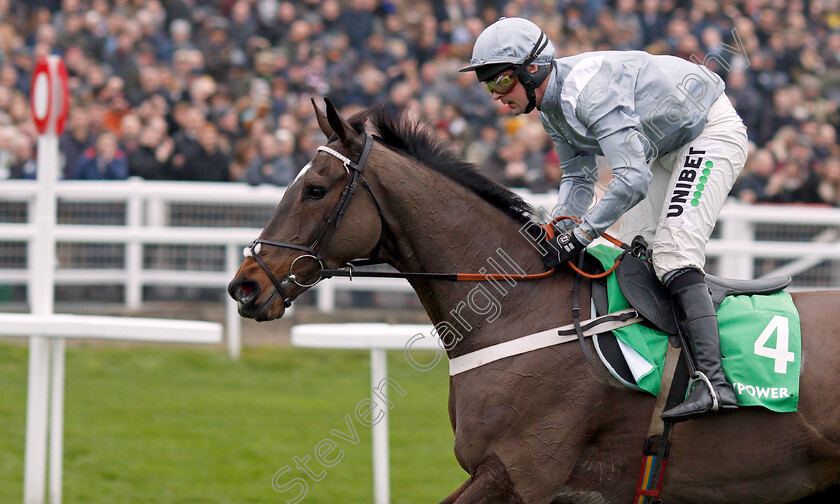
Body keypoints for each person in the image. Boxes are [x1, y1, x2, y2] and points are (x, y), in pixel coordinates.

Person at [460, 17, 749, 422]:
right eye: (488, 86)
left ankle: (715, 383)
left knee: (672, 255)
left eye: (501, 82)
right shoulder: (550, 108)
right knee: (634, 254)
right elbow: (579, 177)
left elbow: (631, 179)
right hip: (663, 147)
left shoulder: (587, 92)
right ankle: (663, 373)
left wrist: (579, 234)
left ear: (533, 69)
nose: (496, 95)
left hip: (707, 132)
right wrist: (559, 225)